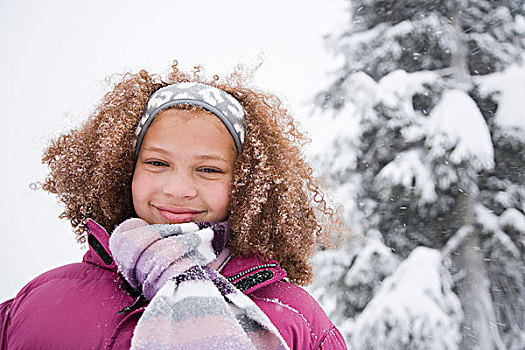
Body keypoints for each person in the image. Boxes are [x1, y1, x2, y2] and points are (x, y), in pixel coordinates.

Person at [0, 61, 348, 349]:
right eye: (157, 163)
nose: (179, 189)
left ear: (247, 185)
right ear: (123, 169)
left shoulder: (298, 320)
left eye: (208, 169)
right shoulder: (40, 301)